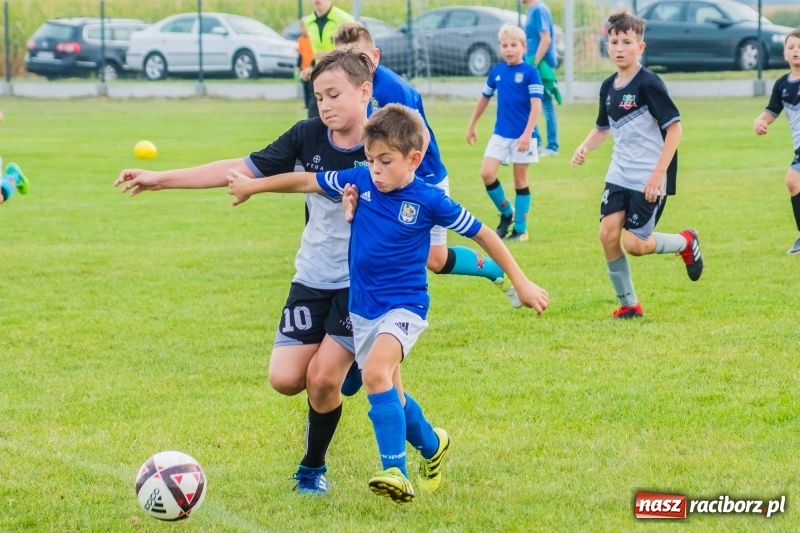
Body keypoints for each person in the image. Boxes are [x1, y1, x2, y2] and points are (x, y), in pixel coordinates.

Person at [227, 103, 550, 504]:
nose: (375, 169)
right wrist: (252, 185)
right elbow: (306, 181)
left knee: (377, 371)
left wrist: (520, 281)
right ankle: (432, 445)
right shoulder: (360, 182)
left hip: (404, 308)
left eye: (385, 161)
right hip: (362, 311)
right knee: (390, 394)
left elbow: (484, 234)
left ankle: (394, 470)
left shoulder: (430, 200)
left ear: (413, 159)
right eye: (370, 160)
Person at [114, 50, 375, 496]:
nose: (325, 106)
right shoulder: (308, 135)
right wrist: (163, 178)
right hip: (312, 276)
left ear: (365, 91)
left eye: (334, 94)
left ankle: (312, 470)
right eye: (317, 97)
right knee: (286, 379)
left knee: (322, 380)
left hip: (362, 281)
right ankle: (346, 364)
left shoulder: (382, 140)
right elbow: (240, 169)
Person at [333, 22, 522, 306]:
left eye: (358, 58)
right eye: (343, 60)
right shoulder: (349, 88)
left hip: (423, 177)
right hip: (386, 177)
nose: (350, 66)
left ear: (375, 56)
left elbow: (414, 141)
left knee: (435, 259)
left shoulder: (394, 91)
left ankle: (492, 269)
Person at [570, 11, 703, 319]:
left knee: (635, 244)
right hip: (619, 172)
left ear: (640, 47)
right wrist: (584, 146)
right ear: (607, 46)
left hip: (649, 175)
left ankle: (686, 241)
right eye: (614, 41)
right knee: (607, 235)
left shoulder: (649, 84)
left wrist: (658, 175)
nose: (619, 47)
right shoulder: (608, 86)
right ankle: (629, 304)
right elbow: (603, 128)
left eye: (627, 42)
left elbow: (675, 129)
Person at [466, 24, 543, 243]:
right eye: (504, 45)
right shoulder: (497, 71)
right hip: (500, 134)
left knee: (520, 180)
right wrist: (472, 125)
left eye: (513, 45)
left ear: (523, 47)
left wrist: (528, 134)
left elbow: (536, 106)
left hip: (523, 136)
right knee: (487, 173)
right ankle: (507, 213)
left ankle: (521, 229)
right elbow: (484, 98)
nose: (509, 49)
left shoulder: (530, 72)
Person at [753, 27, 800, 255]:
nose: (796, 51)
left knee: (793, 181)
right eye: (791, 47)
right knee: (794, 183)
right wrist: (760, 121)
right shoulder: (782, 85)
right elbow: (772, 110)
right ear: (784, 54)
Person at [300, 0, 355, 118]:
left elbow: (355, 50)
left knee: (340, 119)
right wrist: (310, 67)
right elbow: (316, 52)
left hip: (340, 77)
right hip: (319, 76)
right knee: (314, 119)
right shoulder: (308, 22)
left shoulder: (345, 19)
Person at [523, 0, 560, 157]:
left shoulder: (539, 9)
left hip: (540, 65)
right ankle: (535, 143)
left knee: (543, 103)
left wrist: (535, 63)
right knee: (530, 103)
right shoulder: (532, 9)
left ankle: (551, 146)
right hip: (532, 63)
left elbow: (546, 39)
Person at [296, 21, 315, 111]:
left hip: (312, 67)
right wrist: (298, 66)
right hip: (304, 67)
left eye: (304, 28)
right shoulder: (300, 40)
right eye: (301, 28)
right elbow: (300, 54)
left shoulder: (312, 39)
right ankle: (307, 105)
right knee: (305, 87)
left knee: (312, 87)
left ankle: (312, 105)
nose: (302, 30)